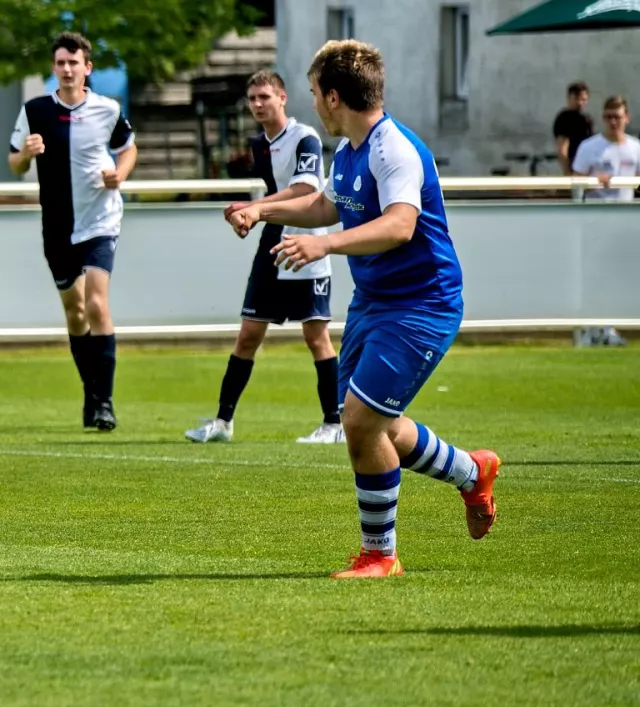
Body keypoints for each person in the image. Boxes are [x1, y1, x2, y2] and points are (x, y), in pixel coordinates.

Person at [226, 40, 500, 579]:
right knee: (376, 425)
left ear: (333, 97)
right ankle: (472, 472)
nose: (313, 104)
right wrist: (262, 210)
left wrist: (324, 245)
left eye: (313, 93)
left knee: (359, 422)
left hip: (422, 304)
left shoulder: (393, 148)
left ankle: (380, 556)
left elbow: (400, 225)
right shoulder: (351, 150)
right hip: (374, 302)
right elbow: (326, 204)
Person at [187, 70, 342, 445]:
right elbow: (276, 196)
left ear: (282, 98)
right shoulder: (259, 144)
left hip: (306, 245)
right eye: (253, 98)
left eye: (265, 97)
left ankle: (334, 424)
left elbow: (304, 189)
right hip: (273, 242)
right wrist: (251, 218)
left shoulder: (305, 137)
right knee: (247, 335)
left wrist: (253, 208)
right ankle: (223, 422)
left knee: (316, 336)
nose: (257, 104)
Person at [8, 31, 137, 431]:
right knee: (75, 312)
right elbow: (13, 163)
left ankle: (105, 403)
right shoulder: (34, 110)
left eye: (73, 63)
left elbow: (128, 147)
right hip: (58, 225)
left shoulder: (107, 109)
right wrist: (26, 154)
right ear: (53, 68)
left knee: (96, 304)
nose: (67, 69)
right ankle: (91, 393)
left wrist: (120, 174)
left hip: (100, 220)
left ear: (87, 68)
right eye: (61, 63)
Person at [572, 96, 638, 348]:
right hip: (595, 222)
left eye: (617, 117)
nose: (613, 122)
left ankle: (608, 328)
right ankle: (591, 330)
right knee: (594, 277)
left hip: (624, 224)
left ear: (626, 118)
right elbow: (575, 182)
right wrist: (593, 181)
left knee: (617, 277)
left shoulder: (635, 148)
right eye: (609, 117)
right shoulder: (590, 147)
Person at [554, 82, 593, 177]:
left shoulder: (586, 119)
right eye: (577, 99)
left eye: (584, 100)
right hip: (573, 166)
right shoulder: (564, 119)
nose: (580, 103)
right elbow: (562, 150)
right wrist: (569, 173)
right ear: (569, 98)